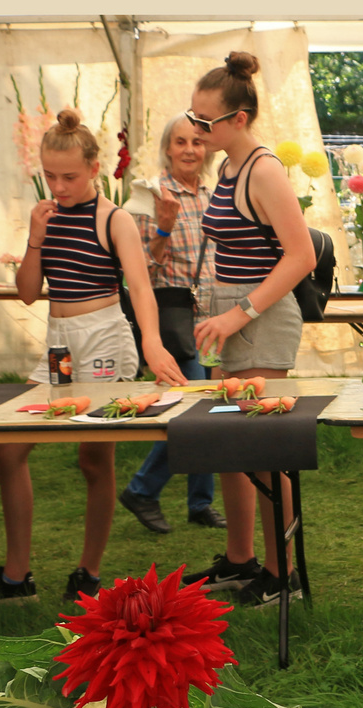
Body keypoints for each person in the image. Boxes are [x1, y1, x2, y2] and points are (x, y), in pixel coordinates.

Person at [0, 109, 183, 603]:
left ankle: (88, 573)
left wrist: (153, 345)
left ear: (95, 168)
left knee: (94, 458)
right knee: (6, 446)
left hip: (104, 337)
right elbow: (28, 293)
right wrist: (34, 237)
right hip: (58, 340)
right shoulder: (46, 216)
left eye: (68, 176)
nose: (59, 185)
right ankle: (16, 575)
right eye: (50, 176)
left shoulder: (114, 219)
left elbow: (140, 286)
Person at [176, 52, 319, 606]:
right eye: (192, 117)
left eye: (204, 122)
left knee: (264, 448)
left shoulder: (263, 169)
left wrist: (241, 313)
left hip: (262, 313)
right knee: (230, 444)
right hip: (230, 310)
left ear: (239, 119)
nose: (195, 130)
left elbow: (301, 255)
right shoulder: (226, 166)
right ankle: (240, 559)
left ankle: (285, 575)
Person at [118, 113, 224, 535]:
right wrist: (163, 224)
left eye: (196, 143)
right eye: (180, 142)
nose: (189, 150)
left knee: (212, 407)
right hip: (174, 317)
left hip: (212, 317)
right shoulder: (148, 194)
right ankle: (142, 489)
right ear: (167, 148)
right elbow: (142, 265)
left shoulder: (216, 194)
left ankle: (200, 502)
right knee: (193, 409)